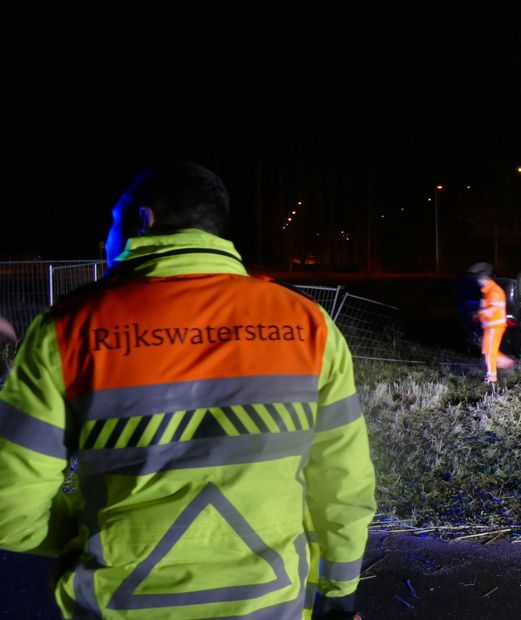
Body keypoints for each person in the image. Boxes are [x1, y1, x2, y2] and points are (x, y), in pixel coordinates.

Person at [0, 163, 375, 619]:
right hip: (269, 605)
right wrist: (339, 590)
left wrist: (92, 531)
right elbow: (342, 480)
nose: (107, 239)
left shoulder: (67, 331)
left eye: (112, 223)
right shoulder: (310, 325)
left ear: (144, 219)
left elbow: (10, 507)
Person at [476, 268, 508, 383]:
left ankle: (492, 378)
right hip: (490, 327)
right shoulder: (488, 292)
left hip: (495, 326)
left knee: (490, 352)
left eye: (479, 281)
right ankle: (505, 362)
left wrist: (480, 314)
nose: (479, 284)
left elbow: (491, 311)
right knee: (487, 351)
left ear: (484, 280)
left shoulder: (494, 291)